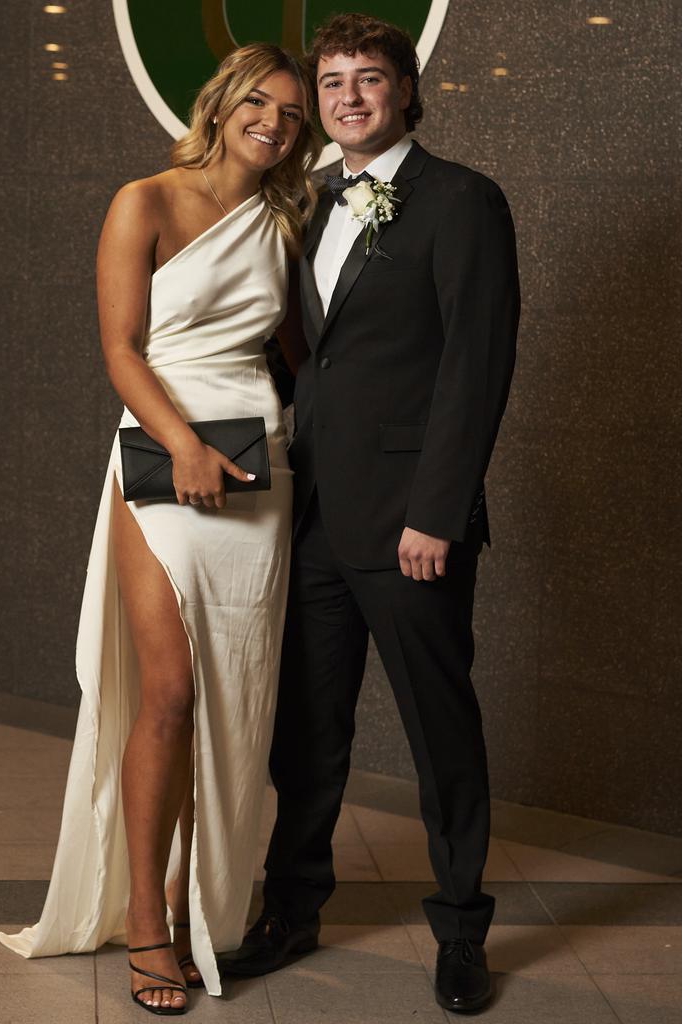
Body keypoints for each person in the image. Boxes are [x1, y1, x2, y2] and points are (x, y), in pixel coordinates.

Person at [0, 42, 321, 1015]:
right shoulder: (144, 199)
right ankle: (145, 914)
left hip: (259, 468)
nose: (275, 121)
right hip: (161, 452)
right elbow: (120, 347)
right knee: (170, 692)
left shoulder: (283, 220)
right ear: (222, 104)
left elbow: (305, 353)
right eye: (260, 102)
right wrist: (179, 442)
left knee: (235, 700)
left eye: (293, 115)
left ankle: (194, 897)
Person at [218, 13, 520, 1016]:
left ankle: (463, 927)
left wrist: (436, 513)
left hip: (410, 528)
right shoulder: (306, 204)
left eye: (369, 80)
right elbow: (297, 356)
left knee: (442, 731)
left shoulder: (461, 202)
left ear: (404, 91)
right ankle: (292, 908)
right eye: (333, 80)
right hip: (311, 517)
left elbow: (474, 370)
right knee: (305, 734)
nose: (348, 97)